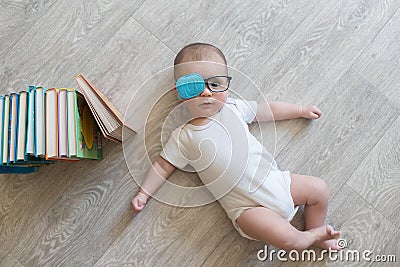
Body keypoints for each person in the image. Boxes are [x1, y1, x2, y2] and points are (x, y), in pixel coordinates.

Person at [131, 43, 341, 251]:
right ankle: (306, 238)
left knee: (319, 189)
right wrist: (144, 194)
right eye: (193, 87)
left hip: (279, 183)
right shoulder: (184, 137)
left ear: (227, 86)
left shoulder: (234, 108)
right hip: (248, 209)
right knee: (289, 240)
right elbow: (162, 166)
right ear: (180, 93)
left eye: (215, 84)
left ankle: (317, 231)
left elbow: (267, 110)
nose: (206, 92)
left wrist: (300, 110)